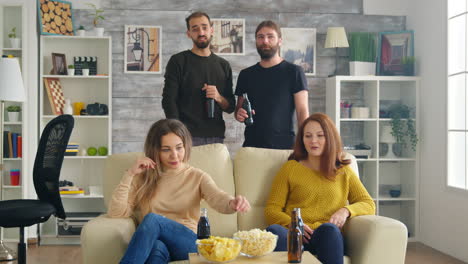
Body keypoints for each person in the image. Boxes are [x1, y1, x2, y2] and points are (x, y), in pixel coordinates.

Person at [108, 119, 250, 264]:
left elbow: (218, 197)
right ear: (155, 150)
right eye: (166, 149)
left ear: (186, 146)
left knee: (152, 220)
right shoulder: (143, 177)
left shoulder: (197, 176)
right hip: (159, 243)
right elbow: (117, 212)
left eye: (179, 148)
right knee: (156, 247)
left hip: (189, 244)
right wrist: (130, 174)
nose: (174, 155)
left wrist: (232, 203)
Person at [264, 113, 375, 264]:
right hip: (294, 235)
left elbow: (368, 204)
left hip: (326, 235)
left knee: (329, 230)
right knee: (274, 231)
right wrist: (294, 225)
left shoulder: (344, 171)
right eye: (307, 136)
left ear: (330, 138)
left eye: (320, 135)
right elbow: (271, 209)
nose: (313, 141)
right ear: (302, 140)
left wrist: (345, 211)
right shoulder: (290, 168)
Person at [162, 11, 235, 146]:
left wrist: (218, 97)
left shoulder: (223, 65)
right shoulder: (178, 61)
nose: (201, 32)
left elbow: (230, 106)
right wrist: (178, 133)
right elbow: (168, 100)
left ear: (211, 30)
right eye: (195, 29)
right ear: (188, 33)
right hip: (186, 137)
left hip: (216, 137)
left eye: (204, 27)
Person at [234, 20, 309, 149]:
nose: (265, 41)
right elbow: (238, 110)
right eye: (261, 37)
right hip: (252, 147)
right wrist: (239, 114)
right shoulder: (246, 74)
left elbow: (302, 111)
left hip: (285, 147)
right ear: (256, 41)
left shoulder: (295, 72)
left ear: (280, 40)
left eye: (270, 36)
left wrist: (304, 144)